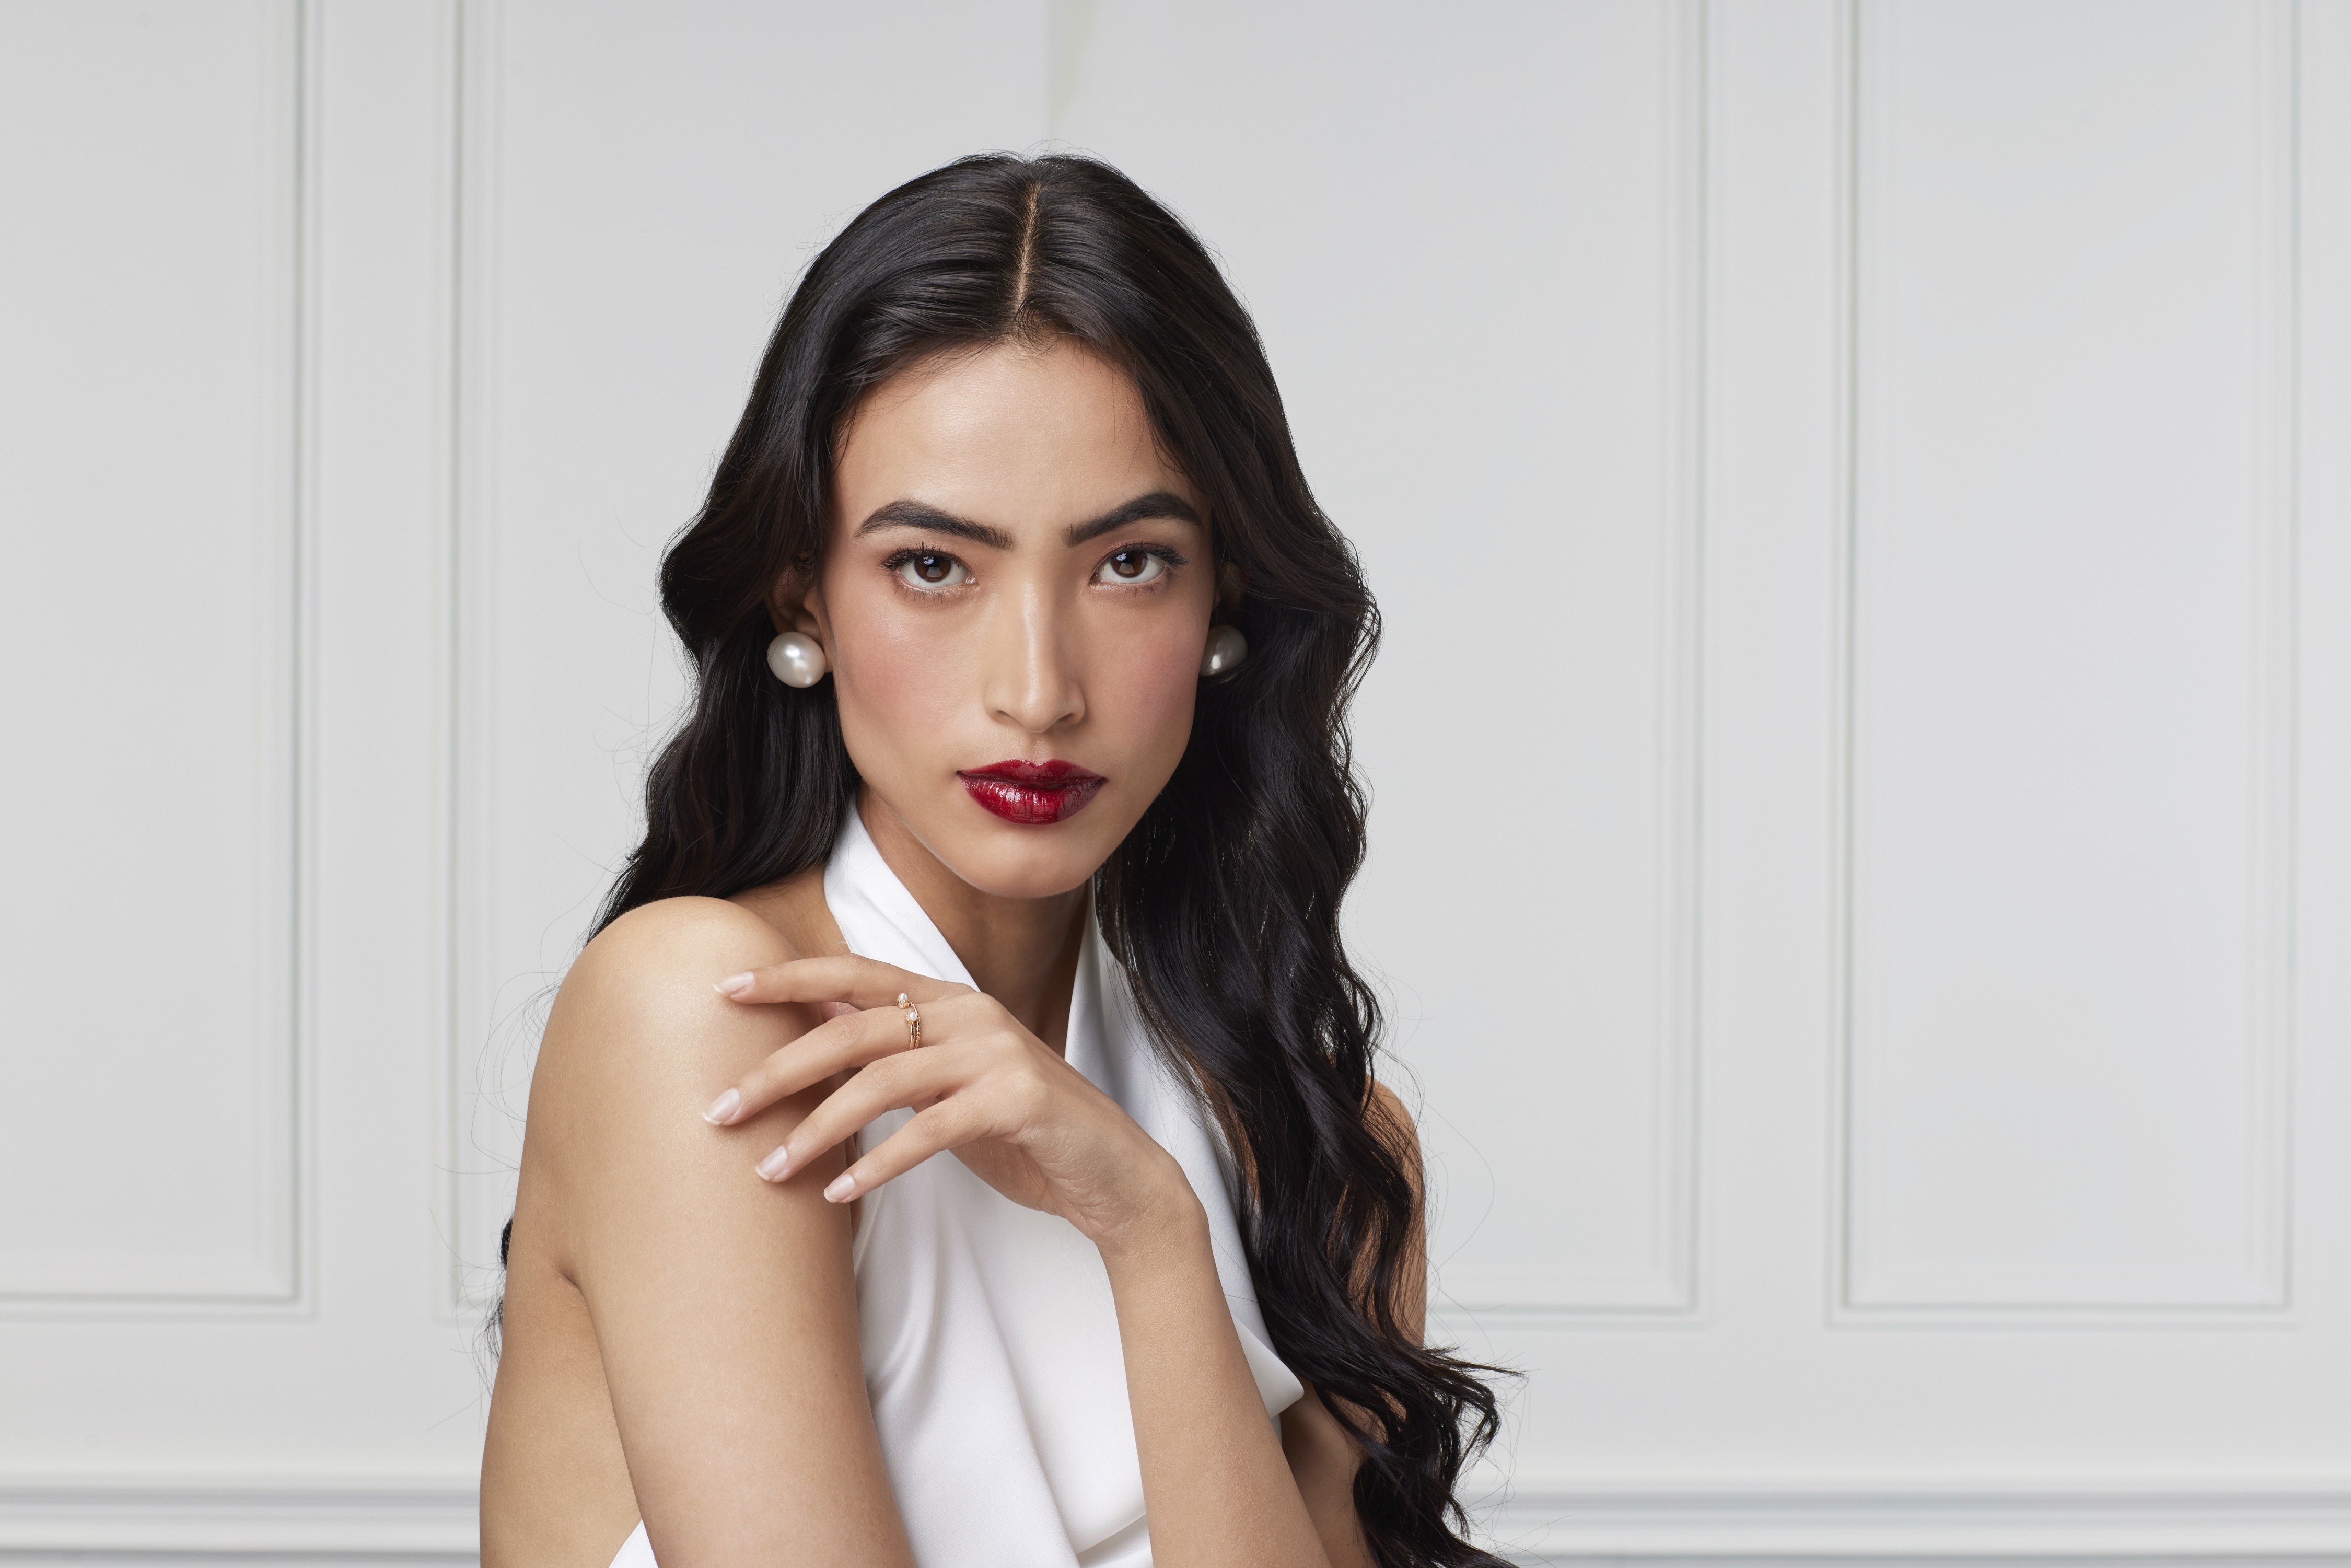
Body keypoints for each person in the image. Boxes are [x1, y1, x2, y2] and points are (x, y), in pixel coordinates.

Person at [478, 152, 1505, 1568]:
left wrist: (1150, 1231)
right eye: (933, 565)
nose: (1037, 688)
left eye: (1128, 561)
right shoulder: (709, 1017)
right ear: (802, 596)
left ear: (1226, 602)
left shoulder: (1318, 1139)